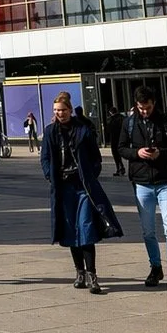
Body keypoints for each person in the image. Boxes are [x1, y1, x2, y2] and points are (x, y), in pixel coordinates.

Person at [40, 91, 121, 294]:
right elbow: (45, 158)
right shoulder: (50, 132)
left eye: (63, 110)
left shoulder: (82, 130)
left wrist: (91, 175)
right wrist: (50, 175)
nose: (60, 114)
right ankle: (80, 272)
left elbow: (96, 158)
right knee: (70, 231)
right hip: (63, 187)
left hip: (83, 186)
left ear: (70, 110)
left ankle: (92, 274)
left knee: (86, 228)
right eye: (56, 111)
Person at [118, 85, 167, 297]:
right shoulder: (129, 123)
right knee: (148, 231)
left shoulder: (165, 122)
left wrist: (160, 153)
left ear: (153, 103)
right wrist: (137, 153)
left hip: (165, 182)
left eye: (147, 107)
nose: (144, 111)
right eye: (141, 107)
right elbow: (120, 148)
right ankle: (155, 267)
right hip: (142, 183)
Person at [105, 107, 125, 176]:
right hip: (122, 138)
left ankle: (119, 168)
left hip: (114, 139)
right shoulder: (122, 118)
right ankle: (121, 168)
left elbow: (108, 130)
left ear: (110, 112)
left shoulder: (111, 120)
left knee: (116, 155)